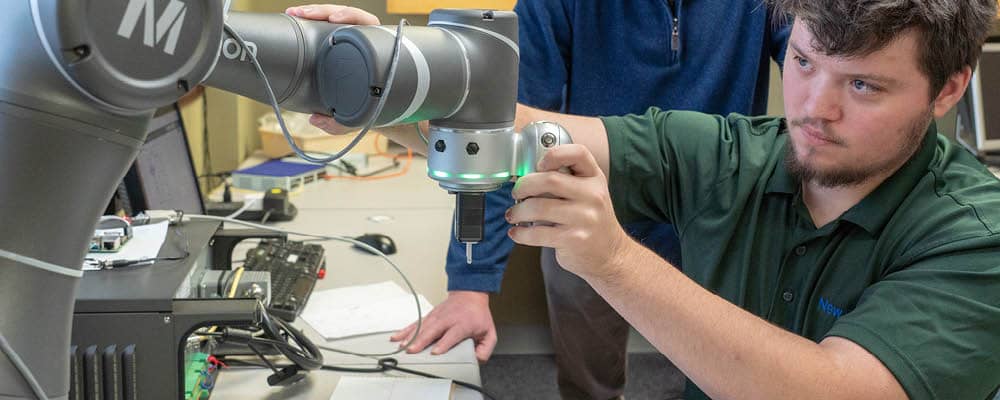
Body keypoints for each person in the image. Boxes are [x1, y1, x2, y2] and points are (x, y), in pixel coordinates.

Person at [293, 0, 1000, 398]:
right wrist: (392, 86)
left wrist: (614, 263)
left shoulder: (975, 235)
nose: (814, 109)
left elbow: (831, 390)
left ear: (948, 89)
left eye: (864, 86)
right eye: (806, 65)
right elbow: (523, 132)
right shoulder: (736, 152)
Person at [286, 2, 790, 399]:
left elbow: (834, 49)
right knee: (582, 337)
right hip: (592, 203)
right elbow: (492, 123)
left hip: (720, 209)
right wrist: (470, 283)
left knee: (726, 368)